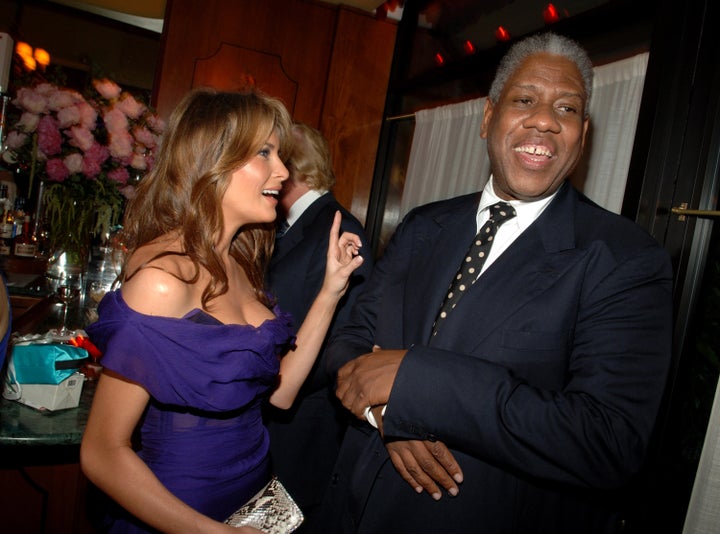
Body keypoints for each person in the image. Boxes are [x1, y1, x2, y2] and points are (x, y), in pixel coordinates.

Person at [321, 32, 673, 533]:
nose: (546, 120)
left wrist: (417, 384)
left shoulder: (623, 260)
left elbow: (607, 440)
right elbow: (350, 339)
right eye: (525, 99)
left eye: (567, 109)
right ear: (489, 118)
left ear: (583, 133)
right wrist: (388, 416)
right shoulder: (424, 224)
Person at [79, 88, 364, 534]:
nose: (283, 172)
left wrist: (331, 290)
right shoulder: (162, 280)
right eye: (265, 153)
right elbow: (102, 452)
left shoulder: (241, 262)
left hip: (257, 503)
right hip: (182, 516)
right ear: (214, 158)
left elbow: (282, 392)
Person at [263, 122, 373, 532]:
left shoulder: (340, 230)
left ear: (292, 168)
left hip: (300, 429)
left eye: (272, 156)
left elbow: (345, 340)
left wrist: (261, 383)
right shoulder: (287, 227)